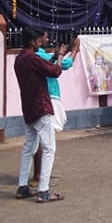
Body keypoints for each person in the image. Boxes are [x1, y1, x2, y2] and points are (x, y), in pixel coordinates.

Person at [14, 28, 68, 203]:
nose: (42, 42)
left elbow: (44, 69)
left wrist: (53, 58)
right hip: (41, 106)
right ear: (33, 42)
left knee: (29, 147)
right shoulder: (32, 58)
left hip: (28, 107)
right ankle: (43, 190)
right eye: (39, 40)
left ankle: (23, 186)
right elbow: (55, 72)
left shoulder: (20, 59)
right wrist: (60, 56)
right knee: (49, 148)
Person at [31, 33, 79, 185]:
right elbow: (63, 65)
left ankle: (39, 175)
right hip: (48, 97)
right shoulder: (38, 55)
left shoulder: (41, 55)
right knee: (44, 141)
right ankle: (39, 177)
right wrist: (75, 50)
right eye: (43, 37)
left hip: (46, 97)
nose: (46, 39)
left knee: (39, 139)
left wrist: (62, 54)